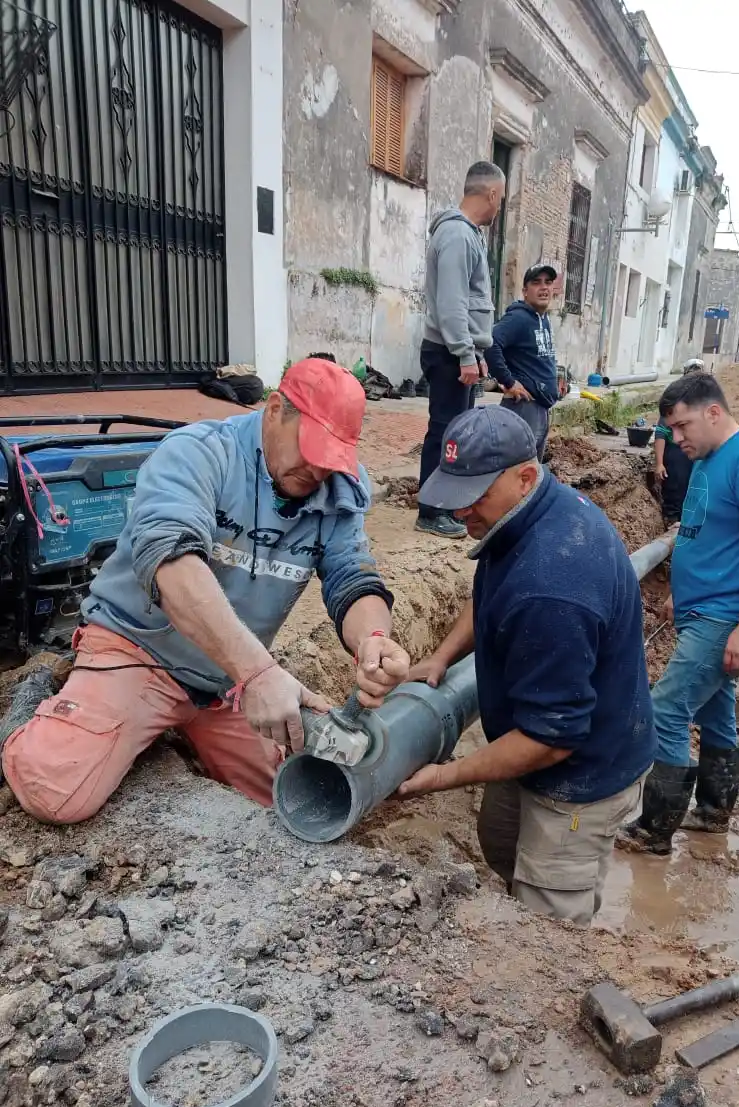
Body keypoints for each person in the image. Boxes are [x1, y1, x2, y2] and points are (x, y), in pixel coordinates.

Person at [1, 359, 411, 823]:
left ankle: (169, 729)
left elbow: (352, 576)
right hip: (141, 650)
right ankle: (34, 707)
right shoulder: (198, 455)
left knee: (285, 799)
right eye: (311, 448)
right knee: (55, 792)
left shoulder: (341, 488)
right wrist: (259, 674)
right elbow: (170, 563)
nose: (318, 469)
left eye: (331, 457)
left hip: (227, 678)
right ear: (275, 410)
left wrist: (374, 639)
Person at [400, 406, 656, 926]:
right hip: (533, 736)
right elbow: (490, 591)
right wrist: (443, 656)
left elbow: (553, 739)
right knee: (500, 843)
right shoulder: (528, 515)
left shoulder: (552, 586)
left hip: (581, 777)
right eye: (455, 494)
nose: (460, 512)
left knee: (549, 920)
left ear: (524, 477)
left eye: (474, 496)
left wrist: (444, 776)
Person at [619, 373, 739, 854]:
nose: (676, 438)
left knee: (665, 710)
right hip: (703, 609)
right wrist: (680, 591)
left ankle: (654, 832)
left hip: (725, 616)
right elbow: (700, 531)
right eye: (670, 429)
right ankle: (714, 812)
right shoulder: (707, 457)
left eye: (682, 426)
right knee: (717, 709)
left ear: (713, 413)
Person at [416, 161, 506, 539]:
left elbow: (467, 304)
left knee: (456, 433)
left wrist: (476, 353)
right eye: (501, 198)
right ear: (491, 193)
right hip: (450, 353)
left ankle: (447, 505)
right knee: (445, 432)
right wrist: (466, 354)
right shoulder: (457, 235)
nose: (499, 207)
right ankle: (431, 510)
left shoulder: (466, 235)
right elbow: (452, 304)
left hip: (459, 351)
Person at [486, 263, 566, 459]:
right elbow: (490, 344)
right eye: (536, 283)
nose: (544, 287)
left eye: (548, 282)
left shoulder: (543, 319)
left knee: (531, 471)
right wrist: (508, 381)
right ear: (525, 291)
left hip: (540, 409)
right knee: (516, 469)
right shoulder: (518, 318)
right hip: (523, 408)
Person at [653, 357, 703, 524]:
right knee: (676, 489)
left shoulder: (703, 401)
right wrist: (659, 463)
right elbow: (661, 433)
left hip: (696, 452)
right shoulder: (675, 399)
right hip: (677, 453)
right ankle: (672, 521)